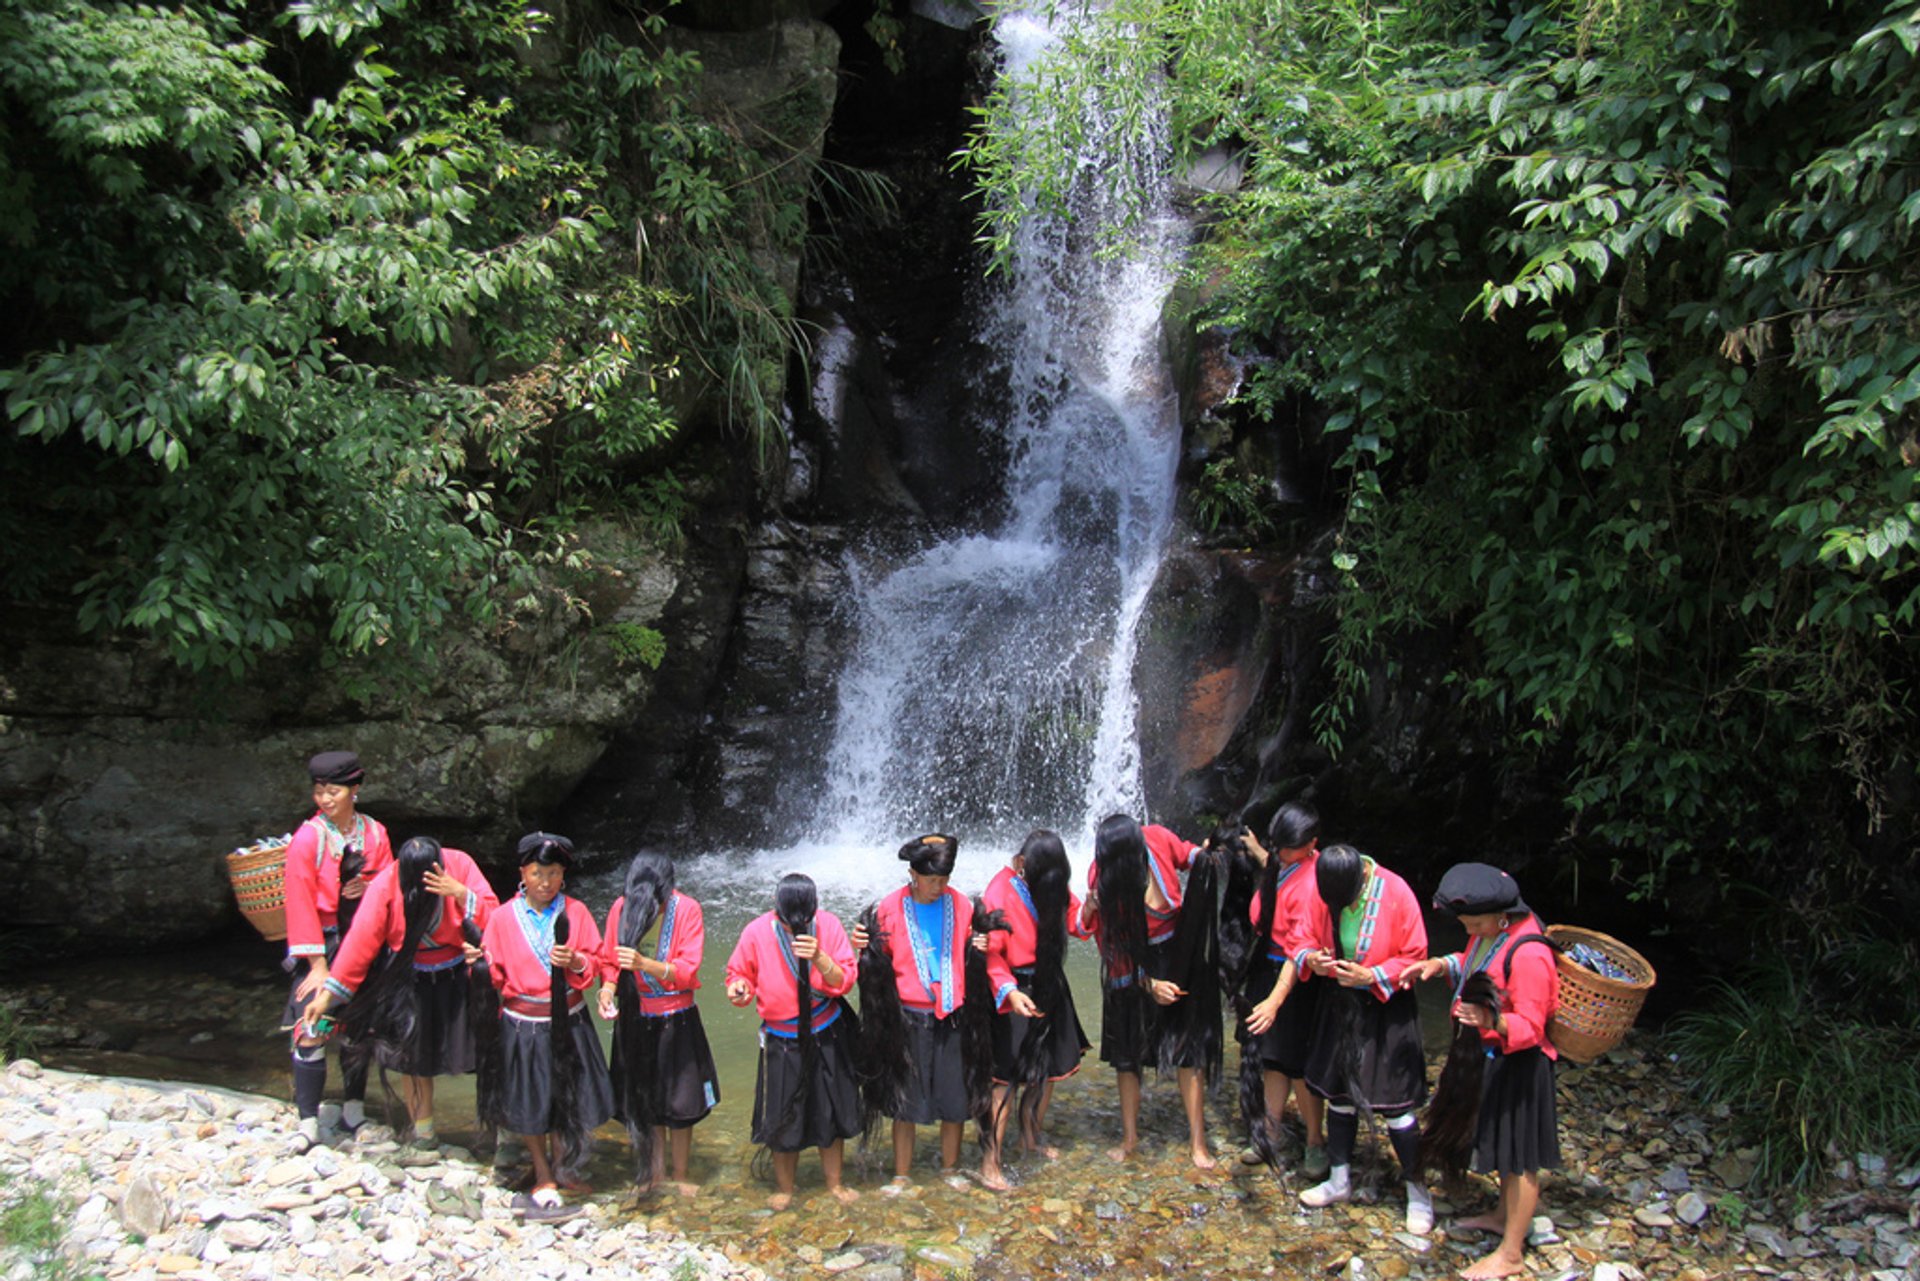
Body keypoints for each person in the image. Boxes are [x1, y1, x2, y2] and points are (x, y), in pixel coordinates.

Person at [1400, 863, 1560, 1280]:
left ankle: (1511, 1253)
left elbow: (1532, 1025)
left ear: (1501, 916)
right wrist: (1441, 964)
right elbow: (1476, 960)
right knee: (1504, 1149)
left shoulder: (1531, 953)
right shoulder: (1495, 934)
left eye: (1474, 922)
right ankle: (1501, 1214)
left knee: (1521, 1157)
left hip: (1521, 1066)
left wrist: (1491, 1021)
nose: (1469, 930)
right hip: (1494, 1061)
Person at [303, 835, 497, 1147]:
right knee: (414, 1060)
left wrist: (459, 892)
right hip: (410, 979)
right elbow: (360, 944)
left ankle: (499, 1134)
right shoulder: (385, 883)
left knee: (487, 1053)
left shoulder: (459, 864)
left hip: (460, 973)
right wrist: (327, 995)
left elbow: (495, 917)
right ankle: (423, 1132)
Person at [1290, 844, 1433, 1235]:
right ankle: (1339, 1178)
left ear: (1362, 879)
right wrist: (1312, 959)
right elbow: (1298, 936)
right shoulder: (1325, 888)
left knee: (1396, 1106)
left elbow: (1416, 954)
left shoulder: (1396, 891)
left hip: (1386, 1008)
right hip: (1339, 1004)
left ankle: (1418, 1191)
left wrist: (1372, 976)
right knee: (1339, 1095)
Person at [477, 833, 614, 1222]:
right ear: (523, 873)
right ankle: (542, 1173)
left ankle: (564, 1164)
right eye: (537, 872)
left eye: (553, 873)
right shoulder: (502, 918)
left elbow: (598, 962)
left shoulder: (577, 912)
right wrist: (480, 968)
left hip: (568, 1019)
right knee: (530, 1100)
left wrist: (574, 962)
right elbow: (494, 975)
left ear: (563, 875)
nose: (545, 882)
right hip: (524, 1023)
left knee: (564, 1096)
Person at [1079, 813, 1219, 1169]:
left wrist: (1205, 854)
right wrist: (1149, 983)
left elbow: (1189, 855)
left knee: (1188, 1051)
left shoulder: (1156, 836)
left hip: (1175, 953)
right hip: (1129, 965)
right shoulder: (1103, 879)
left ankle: (1198, 1142)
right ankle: (1129, 1138)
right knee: (1128, 1057)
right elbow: (1112, 944)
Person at [724, 872, 862, 1210]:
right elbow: (738, 973)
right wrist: (738, 989)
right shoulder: (757, 931)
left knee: (829, 1114)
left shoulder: (827, 926)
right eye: (786, 922)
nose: (791, 927)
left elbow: (845, 980)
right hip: (782, 1038)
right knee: (782, 1117)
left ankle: (835, 1183)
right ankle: (785, 1188)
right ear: (776, 909)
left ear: (814, 910)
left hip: (824, 1031)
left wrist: (819, 957)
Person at [856, 834, 982, 1191]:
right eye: (931, 881)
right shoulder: (890, 908)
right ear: (913, 874)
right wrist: (863, 950)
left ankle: (950, 1170)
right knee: (904, 1101)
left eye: (944, 880)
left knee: (955, 1100)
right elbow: (876, 964)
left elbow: (978, 949)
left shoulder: (961, 905)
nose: (938, 887)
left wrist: (984, 945)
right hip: (908, 1017)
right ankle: (901, 1175)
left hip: (951, 1013)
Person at [280, 750, 393, 1150]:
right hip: (322, 941)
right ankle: (308, 1120)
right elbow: (298, 899)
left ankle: (353, 1108)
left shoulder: (375, 834)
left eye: (333, 791)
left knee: (358, 1029)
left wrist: (369, 886)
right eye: (320, 792)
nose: (325, 800)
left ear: (354, 790)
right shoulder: (308, 838)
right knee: (313, 1027)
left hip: (361, 940)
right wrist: (317, 964)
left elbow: (387, 882)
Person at [598, 850, 720, 1198]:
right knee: (645, 1099)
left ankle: (681, 1173)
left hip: (675, 1017)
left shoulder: (688, 910)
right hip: (637, 1018)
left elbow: (688, 970)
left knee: (681, 1104)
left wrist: (644, 964)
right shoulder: (621, 909)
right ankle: (655, 1172)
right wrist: (607, 990)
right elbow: (609, 961)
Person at [980, 829, 1089, 1189]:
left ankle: (1031, 1136)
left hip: (1048, 983)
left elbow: (1077, 924)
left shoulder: (1051, 883)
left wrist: (1093, 906)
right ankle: (990, 1162)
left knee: (1045, 1072)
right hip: (1013, 990)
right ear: (1021, 864)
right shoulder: (1000, 889)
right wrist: (1008, 992)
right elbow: (990, 953)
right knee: (1004, 1084)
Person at [1237, 801, 1329, 1178]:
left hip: (1297, 977)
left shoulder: (1312, 882)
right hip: (1270, 966)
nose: (1280, 853)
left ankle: (1314, 1141)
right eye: (1276, 845)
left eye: (1287, 847)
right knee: (1272, 1058)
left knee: (1298, 1065)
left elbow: (1301, 950)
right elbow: (1273, 873)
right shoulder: (1286, 864)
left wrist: (1275, 1000)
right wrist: (1262, 853)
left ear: (1312, 845)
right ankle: (1271, 1130)